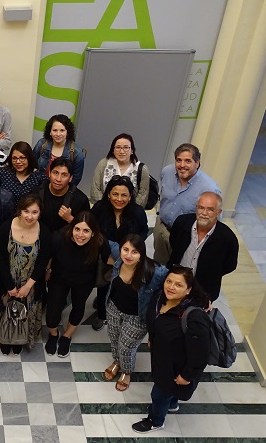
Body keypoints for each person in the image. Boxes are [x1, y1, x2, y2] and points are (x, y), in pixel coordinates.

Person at [132, 266, 210, 433]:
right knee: (168, 392)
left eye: (178, 285)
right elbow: (154, 320)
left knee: (159, 394)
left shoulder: (194, 317)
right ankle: (172, 403)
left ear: (188, 290)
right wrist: (153, 338)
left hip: (178, 365)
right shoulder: (160, 297)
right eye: (169, 281)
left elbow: (201, 353)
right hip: (163, 357)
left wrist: (187, 375)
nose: (171, 287)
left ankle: (156, 420)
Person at [103, 235, 168, 393]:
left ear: (142, 254)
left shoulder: (155, 272)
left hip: (137, 316)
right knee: (114, 338)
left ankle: (126, 371)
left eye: (135, 252)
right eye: (125, 250)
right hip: (114, 308)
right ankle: (117, 361)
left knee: (126, 347)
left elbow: (177, 279)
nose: (128, 255)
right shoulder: (119, 260)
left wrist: (200, 298)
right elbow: (105, 240)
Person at [0, 194, 51, 354]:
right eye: (26, 211)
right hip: (8, 281)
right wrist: (9, 285)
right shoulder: (5, 228)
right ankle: (4, 337)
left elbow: (42, 262)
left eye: (34, 212)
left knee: (24, 314)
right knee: (6, 312)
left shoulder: (44, 232)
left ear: (40, 213)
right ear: (19, 211)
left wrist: (28, 286)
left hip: (31, 283)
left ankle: (20, 339)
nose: (30, 216)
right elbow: (0, 259)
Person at [44, 211, 110, 358]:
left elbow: (106, 260)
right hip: (59, 277)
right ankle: (53, 333)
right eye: (77, 229)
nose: (80, 235)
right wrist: (48, 270)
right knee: (53, 309)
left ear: (93, 233)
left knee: (78, 306)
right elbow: (49, 256)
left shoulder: (100, 242)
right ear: (71, 228)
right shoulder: (59, 238)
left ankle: (67, 336)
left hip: (84, 281)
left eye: (86, 230)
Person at [90, 176, 149, 330]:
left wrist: (132, 247)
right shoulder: (99, 208)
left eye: (124, 195)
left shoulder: (138, 212)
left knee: (123, 287)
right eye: (115, 194)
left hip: (128, 258)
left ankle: (118, 312)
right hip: (104, 256)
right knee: (104, 285)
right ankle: (102, 315)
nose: (119, 199)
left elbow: (143, 231)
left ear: (130, 197)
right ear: (108, 194)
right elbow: (92, 229)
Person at [154, 143, 220, 264]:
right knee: (159, 266)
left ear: (197, 163)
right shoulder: (167, 172)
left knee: (179, 271)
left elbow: (214, 222)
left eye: (187, 161)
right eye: (178, 160)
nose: (182, 165)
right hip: (162, 229)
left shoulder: (209, 188)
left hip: (185, 238)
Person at [168, 191, 238, 302]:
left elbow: (229, 266)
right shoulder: (182, 223)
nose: (204, 213)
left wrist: (210, 273)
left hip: (203, 292)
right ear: (196, 208)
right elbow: (173, 243)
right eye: (201, 208)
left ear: (218, 212)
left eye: (210, 209)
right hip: (175, 284)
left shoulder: (228, 238)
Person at [90, 133, 151, 207]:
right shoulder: (103, 164)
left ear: (132, 150)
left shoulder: (141, 169)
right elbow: (95, 188)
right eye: (118, 147)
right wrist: (104, 207)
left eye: (126, 147)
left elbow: (143, 194)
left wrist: (130, 210)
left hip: (130, 213)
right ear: (113, 150)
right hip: (104, 209)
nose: (121, 152)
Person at [37, 158, 90, 233]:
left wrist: (70, 219)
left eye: (64, 175)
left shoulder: (80, 199)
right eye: (55, 173)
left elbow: (88, 229)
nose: (58, 179)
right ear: (49, 173)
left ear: (70, 178)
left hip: (66, 240)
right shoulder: (37, 192)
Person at [33, 114, 85, 186]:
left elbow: (76, 179)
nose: (58, 134)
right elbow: (32, 166)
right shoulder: (42, 144)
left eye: (62, 130)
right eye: (55, 130)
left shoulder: (77, 153)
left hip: (62, 192)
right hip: (40, 187)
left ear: (67, 132)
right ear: (50, 132)